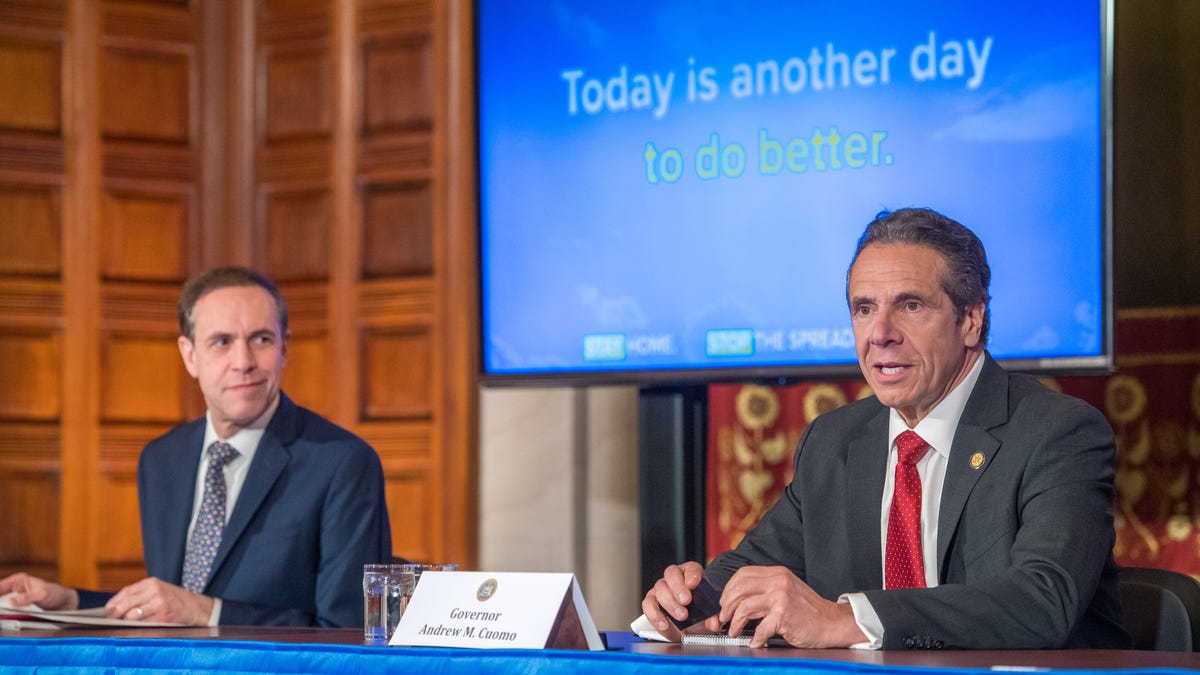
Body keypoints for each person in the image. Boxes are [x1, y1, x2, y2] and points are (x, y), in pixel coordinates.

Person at [641, 207, 1129, 650]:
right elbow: (754, 565)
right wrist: (687, 598)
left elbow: (1043, 599)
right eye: (864, 308)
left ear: (972, 320)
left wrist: (845, 620)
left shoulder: (1057, 432)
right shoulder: (835, 441)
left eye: (911, 305)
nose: (880, 334)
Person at [0, 266, 392, 627]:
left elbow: (348, 632)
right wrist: (70, 602)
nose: (243, 361)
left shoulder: (343, 463)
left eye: (261, 339)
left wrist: (209, 612)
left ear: (285, 347)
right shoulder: (161, 460)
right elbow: (173, 607)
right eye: (222, 342)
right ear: (190, 356)